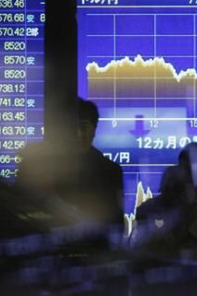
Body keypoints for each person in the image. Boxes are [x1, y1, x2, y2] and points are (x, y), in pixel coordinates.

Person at [18, 97, 124, 228]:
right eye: (72, 128)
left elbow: (114, 223)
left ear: (94, 130)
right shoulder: (38, 166)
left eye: (83, 127)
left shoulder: (109, 171)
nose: (78, 134)